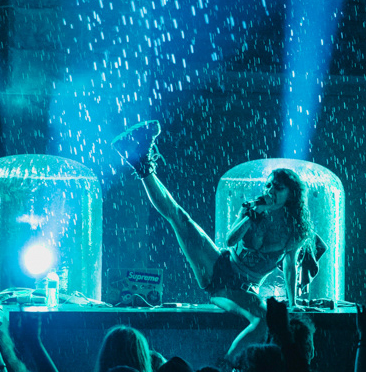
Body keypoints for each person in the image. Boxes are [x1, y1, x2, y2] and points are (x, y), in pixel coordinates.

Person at [112, 120, 314, 356]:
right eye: (268, 185)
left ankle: (227, 366)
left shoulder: (295, 230)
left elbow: (290, 266)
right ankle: (141, 163)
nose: (270, 191)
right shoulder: (252, 208)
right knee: (180, 217)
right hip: (219, 266)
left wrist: (293, 302)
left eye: (278, 188)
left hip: (244, 289)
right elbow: (230, 240)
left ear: (291, 194)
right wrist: (252, 216)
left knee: (263, 319)